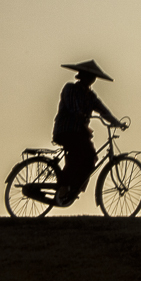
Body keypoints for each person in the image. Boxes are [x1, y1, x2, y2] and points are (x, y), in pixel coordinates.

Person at [52, 60, 125, 205]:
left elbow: (103, 111)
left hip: (79, 133)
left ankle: (72, 188)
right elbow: (73, 107)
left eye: (93, 77)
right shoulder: (70, 88)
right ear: (82, 76)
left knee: (88, 159)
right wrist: (80, 114)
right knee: (86, 155)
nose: (91, 80)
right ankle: (64, 187)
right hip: (66, 130)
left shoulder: (91, 96)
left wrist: (116, 122)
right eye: (89, 76)